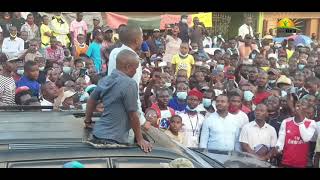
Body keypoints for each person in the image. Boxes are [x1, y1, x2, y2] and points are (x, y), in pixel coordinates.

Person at [84, 49, 152, 153]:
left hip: (97, 133)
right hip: (113, 140)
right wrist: (140, 139)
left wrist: (88, 121)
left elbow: (91, 100)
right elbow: (133, 115)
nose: (136, 72)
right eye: (136, 68)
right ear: (128, 67)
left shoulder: (105, 79)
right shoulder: (130, 84)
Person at [107, 25, 146, 126]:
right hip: (126, 114)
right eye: (142, 37)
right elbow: (134, 92)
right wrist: (141, 119)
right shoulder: (133, 59)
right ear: (136, 40)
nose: (143, 39)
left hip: (111, 107)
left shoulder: (114, 52)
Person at [275, 98, 318, 168]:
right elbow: (281, 140)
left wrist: (300, 118)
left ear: (307, 109)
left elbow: (306, 138)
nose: (298, 108)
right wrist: (278, 147)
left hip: (301, 163)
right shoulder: (286, 122)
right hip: (286, 162)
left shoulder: (311, 123)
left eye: (302, 105)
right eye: (297, 106)